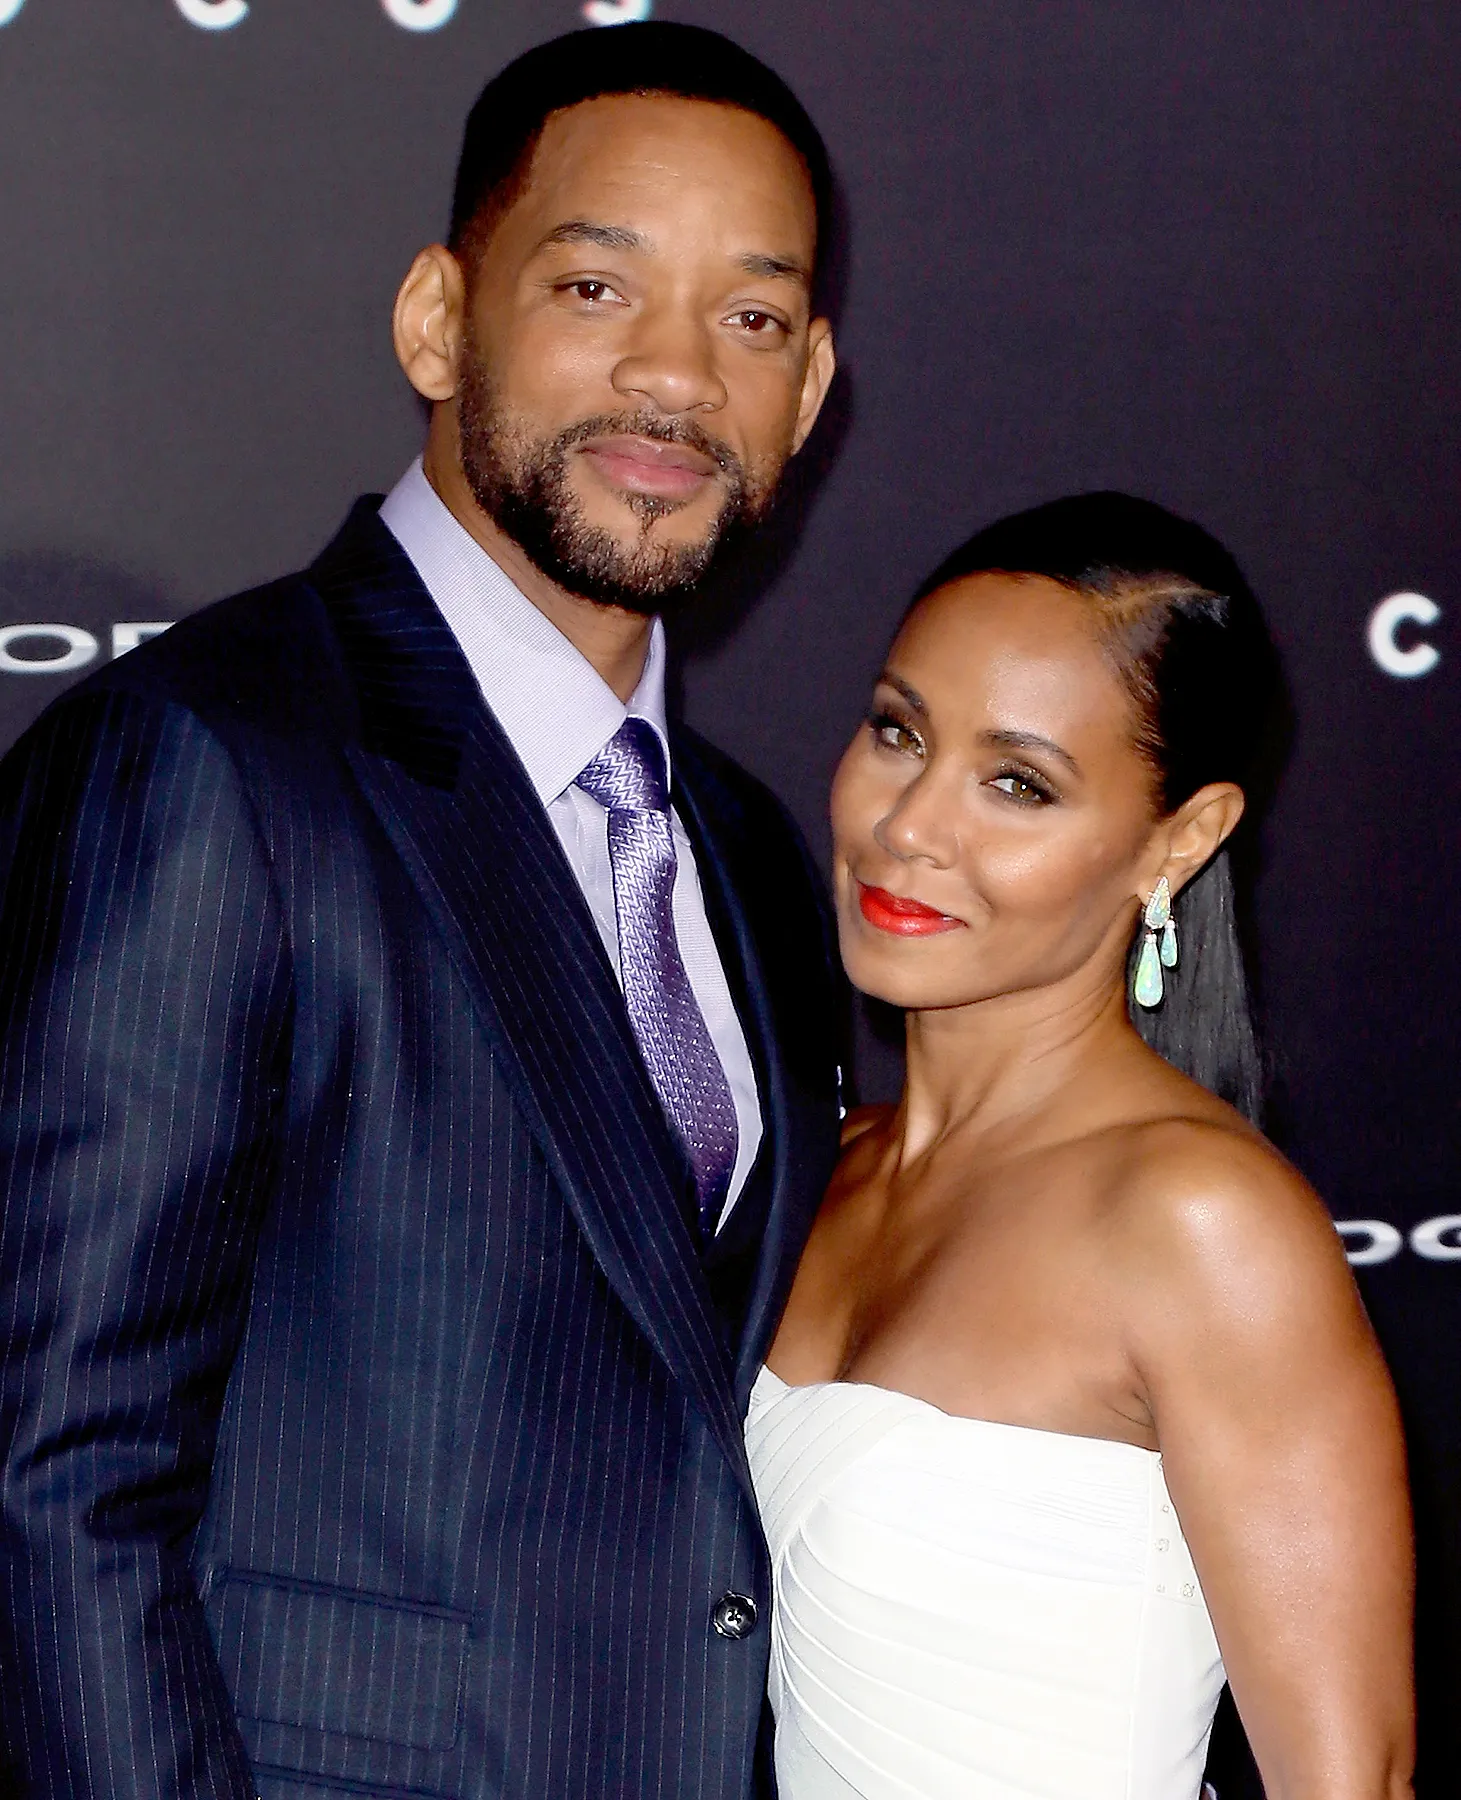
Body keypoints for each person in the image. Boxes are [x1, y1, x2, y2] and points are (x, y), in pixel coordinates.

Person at [0, 24, 844, 1800]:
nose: (678, 376)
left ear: (812, 385)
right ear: (438, 321)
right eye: (598, 287)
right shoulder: (210, 759)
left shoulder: (754, 850)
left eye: (753, 318)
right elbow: (57, 1473)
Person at [748, 493, 1415, 1800]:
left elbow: (1350, 1785)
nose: (910, 825)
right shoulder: (817, 1170)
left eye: (1018, 783)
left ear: (1181, 840)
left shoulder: (1199, 1225)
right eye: (898, 732)